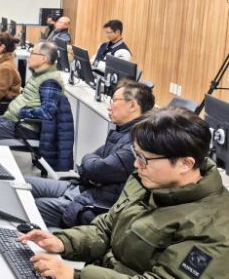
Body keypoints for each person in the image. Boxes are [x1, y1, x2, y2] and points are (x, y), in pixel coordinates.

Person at [18, 108, 229, 279]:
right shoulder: (146, 181)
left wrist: (77, 275)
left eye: (144, 159)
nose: (136, 165)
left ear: (185, 164)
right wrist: (65, 242)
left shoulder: (215, 230)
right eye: (137, 155)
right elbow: (106, 228)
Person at [25, 81, 154, 228]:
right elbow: (89, 163)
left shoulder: (138, 141)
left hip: (91, 203)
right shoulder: (122, 131)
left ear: (132, 105)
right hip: (83, 188)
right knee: (26, 184)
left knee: (31, 206)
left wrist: (93, 170)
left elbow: (97, 169)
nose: (109, 106)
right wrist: (92, 170)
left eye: (114, 100)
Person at [0, 41, 62, 141]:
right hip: (15, 121)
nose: (29, 56)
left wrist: (22, 112)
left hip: (24, 129)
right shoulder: (39, 75)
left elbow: (47, 113)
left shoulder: (50, 82)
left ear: (44, 59)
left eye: (33, 53)